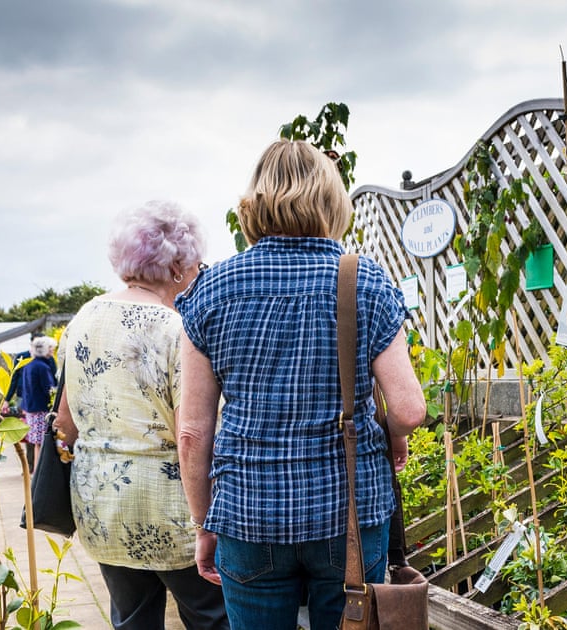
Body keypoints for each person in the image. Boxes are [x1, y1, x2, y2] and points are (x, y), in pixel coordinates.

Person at [175, 139, 426, 629]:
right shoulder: (364, 280)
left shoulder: (211, 290)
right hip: (348, 515)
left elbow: (192, 434)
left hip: (248, 515)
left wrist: (205, 524)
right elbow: (410, 409)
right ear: (332, 201)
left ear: (255, 203)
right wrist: (393, 437)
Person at [52, 200, 229, 630]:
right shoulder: (176, 327)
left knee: (131, 620)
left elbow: (64, 425)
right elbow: (190, 434)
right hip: (171, 512)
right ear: (175, 267)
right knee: (211, 617)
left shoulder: (83, 318)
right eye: (194, 264)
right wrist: (208, 517)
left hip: (102, 507)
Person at [20, 335, 57, 473]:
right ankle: (40, 473)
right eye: (51, 348)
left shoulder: (29, 365)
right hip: (41, 409)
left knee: (37, 443)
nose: (53, 351)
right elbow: (50, 389)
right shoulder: (42, 367)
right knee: (42, 443)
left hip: (31, 408)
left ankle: (37, 472)